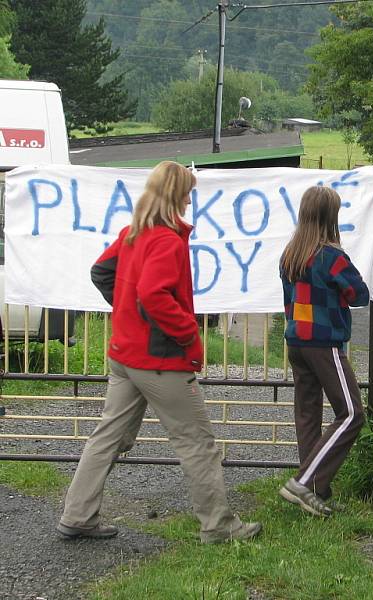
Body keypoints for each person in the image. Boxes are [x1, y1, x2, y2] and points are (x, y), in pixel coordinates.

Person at [57, 161, 261, 544]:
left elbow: (101, 272)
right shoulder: (167, 239)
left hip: (125, 357)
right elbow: (153, 294)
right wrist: (188, 336)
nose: (189, 198)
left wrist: (127, 312)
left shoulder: (133, 233)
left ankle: (77, 515)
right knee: (197, 444)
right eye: (187, 191)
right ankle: (219, 526)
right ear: (174, 194)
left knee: (108, 437)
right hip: (160, 362)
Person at [278, 185, 368, 517]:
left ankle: (313, 492)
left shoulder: (290, 253)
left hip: (296, 341)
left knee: (307, 414)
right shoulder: (331, 256)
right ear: (332, 217)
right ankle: (305, 482)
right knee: (352, 413)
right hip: (324, 342)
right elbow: (359, 294)